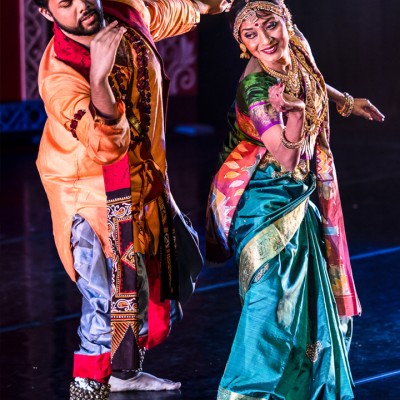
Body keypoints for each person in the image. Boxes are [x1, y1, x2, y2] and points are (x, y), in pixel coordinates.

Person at [34, 0, 231, 398]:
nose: (81, 5)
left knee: (174, 271)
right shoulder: (61, 74)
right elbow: (107, 146)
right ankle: (87, 385)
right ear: (46, 13)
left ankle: (123, 372)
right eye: (64, 3)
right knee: (105, 296)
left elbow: (172, 10)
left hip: (143, 182)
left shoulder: (126, 11)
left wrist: (206, 5)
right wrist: (100, 76)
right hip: (88, 191)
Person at [206, 0, 385, 399]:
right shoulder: (255, 89)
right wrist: (298, 114)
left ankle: (303, 382)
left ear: (286, 22)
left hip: (303, 191)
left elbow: (311, 77)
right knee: (271, 301)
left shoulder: (296, 44)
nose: (266, 40)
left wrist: (344, 101)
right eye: (251, 36)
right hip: (264, 198)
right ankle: (242, 392)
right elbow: (286, 156)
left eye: (271, 26)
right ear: (243, 46)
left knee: (312, 300)